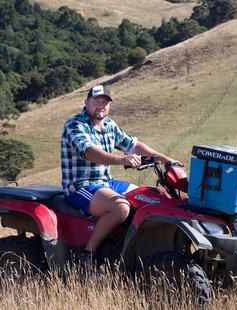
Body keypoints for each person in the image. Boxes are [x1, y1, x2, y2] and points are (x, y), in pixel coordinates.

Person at [61, 84, 175, 267]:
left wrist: (166, 160)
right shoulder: (75, 125)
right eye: (96, 101)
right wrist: (122, 160)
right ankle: (87, 254)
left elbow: (133, 146)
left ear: (110, 105)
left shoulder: (109, 125)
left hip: (105, 182)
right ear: (86, 102)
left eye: (104, 102)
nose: (101, 106)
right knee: (120, 208)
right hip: (81, 186)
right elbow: (90, 152)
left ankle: (131, 248)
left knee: (149, 198)